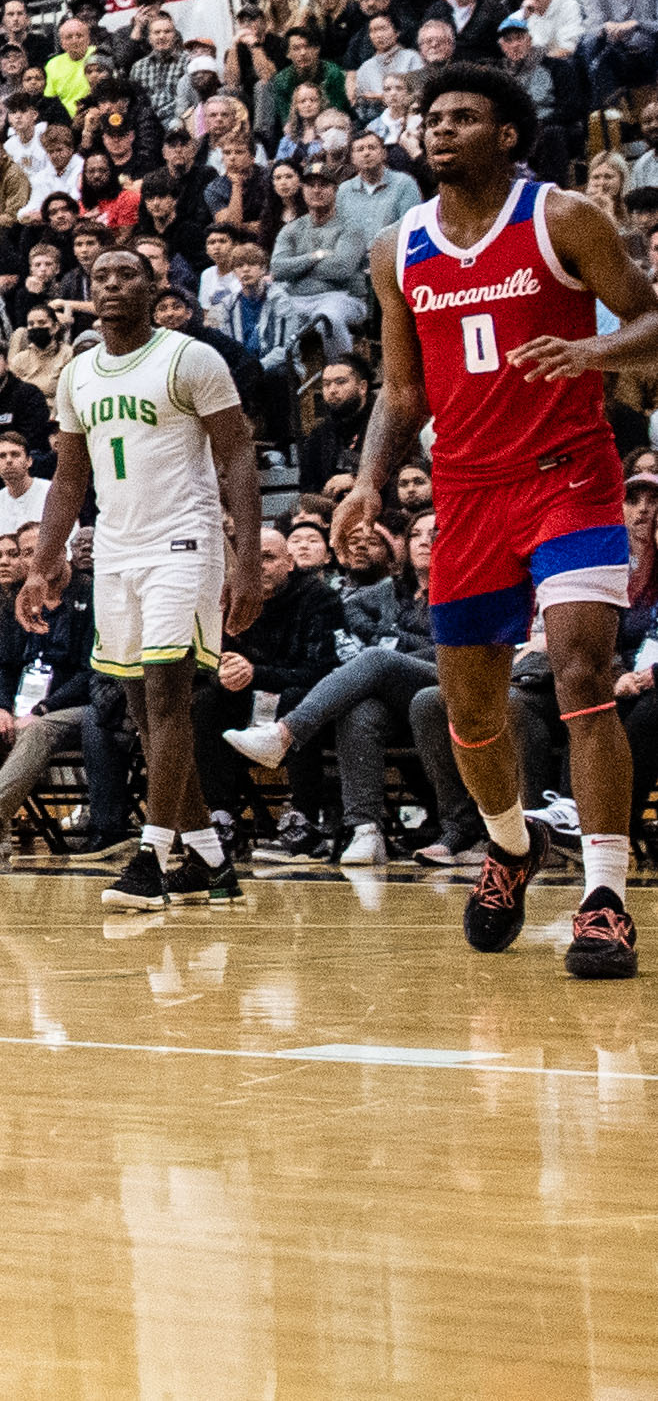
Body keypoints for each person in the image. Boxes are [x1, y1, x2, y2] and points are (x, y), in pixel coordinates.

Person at [337, 60, 644, 975]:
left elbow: (652, 317)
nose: (438, 129)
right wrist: (364, 482)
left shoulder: (562, 218)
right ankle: (512, 846)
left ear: (507, 135)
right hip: (466, 490)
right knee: (469, 712)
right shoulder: (398, 247)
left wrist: (592, 346)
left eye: (463, 116)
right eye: (431, 117)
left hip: (568, 479)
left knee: (583, 672)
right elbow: (400, 392)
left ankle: (605, 899)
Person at [35, 242, 261, 910]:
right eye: (100, 275)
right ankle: (210, 865)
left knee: (167, 701)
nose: (111, 283)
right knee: (138, 711)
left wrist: (246, 557)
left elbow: (239, 456)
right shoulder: (77, 374)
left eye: (126, 273)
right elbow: (70, 476)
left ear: (153, 283)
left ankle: (151, 858)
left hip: (183, 545)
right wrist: (45, 560)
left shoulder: (191, 357)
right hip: (116, 550)